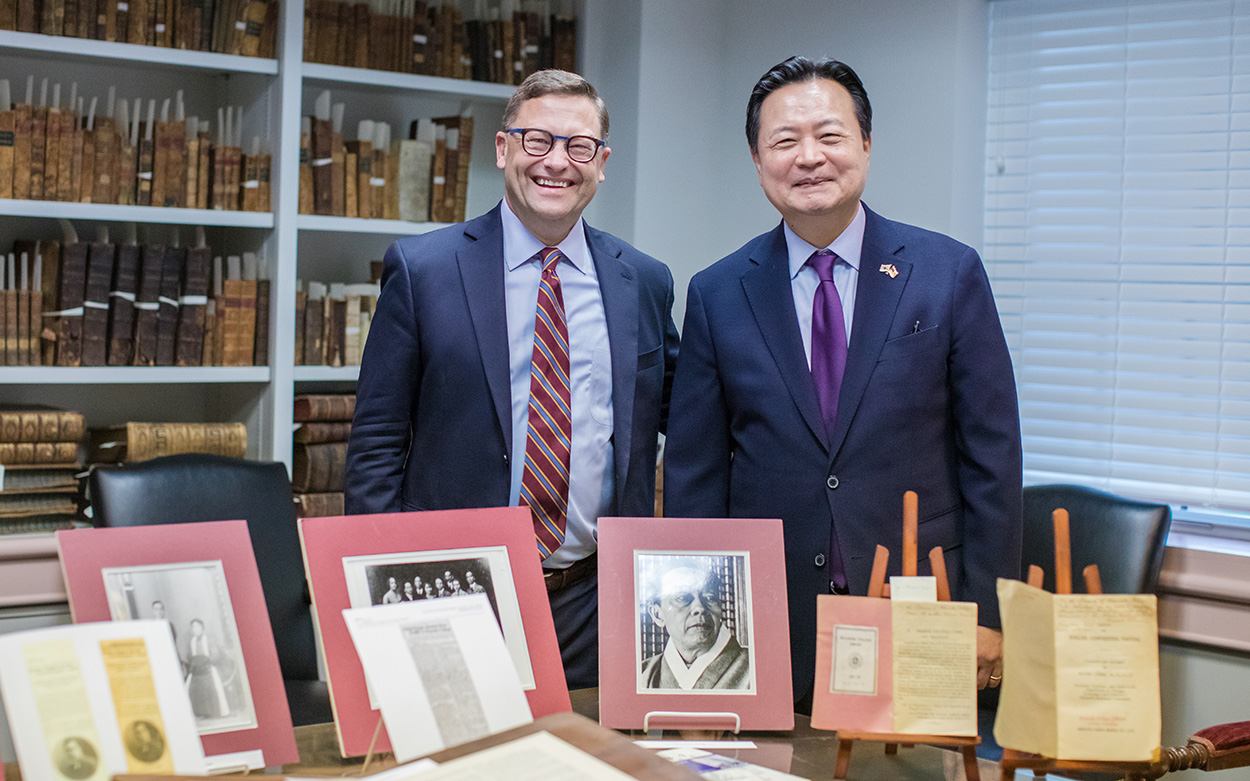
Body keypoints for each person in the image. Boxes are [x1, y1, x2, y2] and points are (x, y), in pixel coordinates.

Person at [663, 56, 1022, 703]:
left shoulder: (948, 273)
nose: (809, 157)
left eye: (829, 135)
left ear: (865, 143)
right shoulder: (717, 292)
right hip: (771, 616)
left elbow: (992, 458)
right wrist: (701, 628)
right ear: (756, 158)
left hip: (919, 597)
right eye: (784, 140)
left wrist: (991, 611)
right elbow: (696, 477)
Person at [345, 68, 680, 689]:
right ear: (503, 149)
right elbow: (376, 448)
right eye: (537, 141)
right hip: (455, 590)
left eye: (579, 146)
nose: (557, 162)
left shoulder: (644, 280)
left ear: (601, 163)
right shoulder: (424, 271)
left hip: (593, 598)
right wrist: (379, 586)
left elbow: (680, 422)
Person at [640, 565, 750, 691]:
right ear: (657, 615)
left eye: (709, 598)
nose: (700, 608)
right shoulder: (641, 675)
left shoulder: (756, 668)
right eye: (682, 598)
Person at [185, 618, 231, 720]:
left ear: (202, 628)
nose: (196, 629)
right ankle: (201, 713)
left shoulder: (209, 640)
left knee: (213, 688)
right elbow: (189, 656)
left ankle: (216, 712)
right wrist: (194, 663)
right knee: (189, 689)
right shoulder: (191, 642)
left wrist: (206, 661)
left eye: (198, 626)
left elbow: (216, 655)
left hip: (208, 668)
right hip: (197, 670)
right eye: (194, 627)